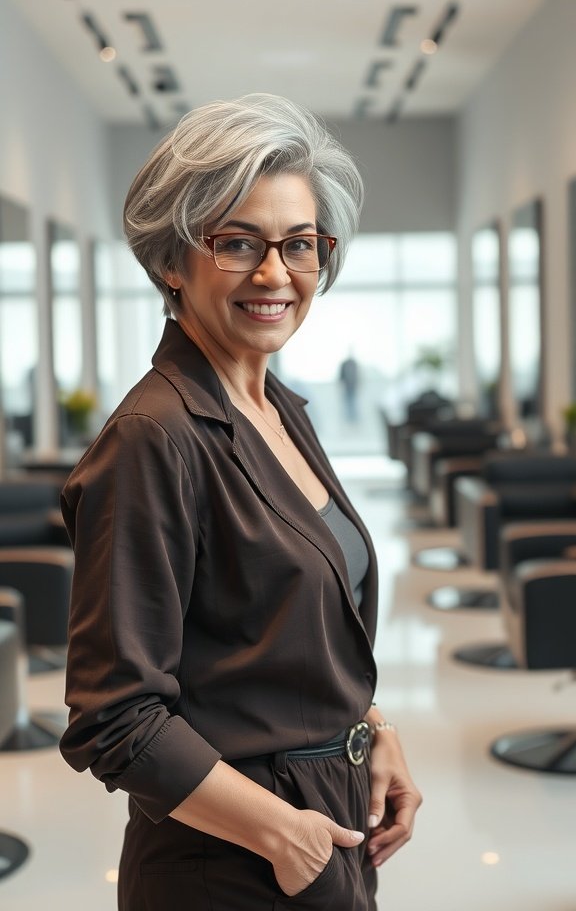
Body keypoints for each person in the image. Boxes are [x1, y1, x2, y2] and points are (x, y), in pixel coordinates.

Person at [59, 94, 422, 910]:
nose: (275, 273)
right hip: (228, 864)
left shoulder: (279, 407)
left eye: (299, 244)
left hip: (324, 821)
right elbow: (115, 719)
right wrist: (279, 833)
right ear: (170, 261)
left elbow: (276, 631)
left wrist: (372, 727)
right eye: (237, 243)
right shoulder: (153, 439)